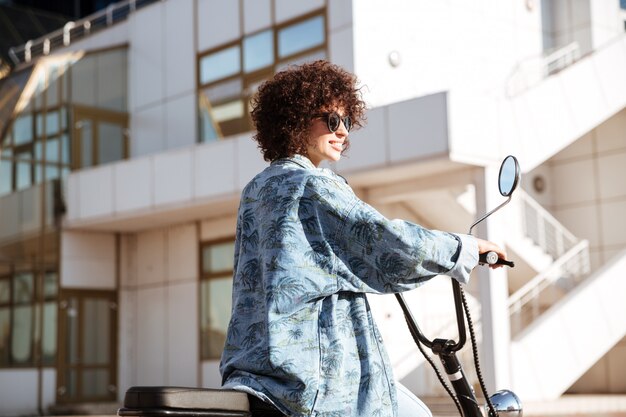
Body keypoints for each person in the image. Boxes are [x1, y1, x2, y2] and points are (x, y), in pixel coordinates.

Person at [219, 60, 507, 417]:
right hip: (315, 382)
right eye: (333, 120)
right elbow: (389, 243)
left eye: (348, 122)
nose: (344, 133)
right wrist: (465, 247)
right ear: (296, 118)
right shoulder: (313, 184)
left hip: (257, 373)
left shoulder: (257, 190)